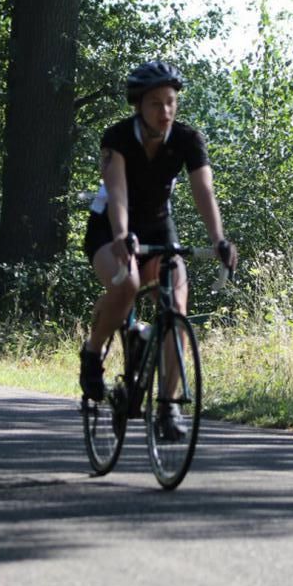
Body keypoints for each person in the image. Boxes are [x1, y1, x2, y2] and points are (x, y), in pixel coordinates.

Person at [79, 60, 237, 439]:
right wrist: (121, 237)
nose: (165, 111)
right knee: (127, 283)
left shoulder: (187, 139)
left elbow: (204, 190)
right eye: (155, 103)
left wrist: (219, 239)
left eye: (170, 102)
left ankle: (167, 407)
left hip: (157, 226)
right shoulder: (117, 138)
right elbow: (116, 192)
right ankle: (92, 352)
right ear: (138, 105)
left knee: (175, 305)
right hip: (111, 227)